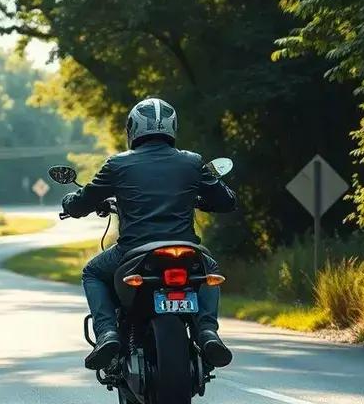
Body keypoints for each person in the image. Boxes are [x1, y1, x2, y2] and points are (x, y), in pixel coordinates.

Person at [61, 97, 238, 371]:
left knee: (92, 272)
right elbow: (227, 201)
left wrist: (70, 202)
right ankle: (207, 332)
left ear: (133, 129)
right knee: (209, 269)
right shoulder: (193, 162)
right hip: (187, 249)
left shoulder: (117, 164)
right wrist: (202, 199)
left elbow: (82, 202)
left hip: (133, 252)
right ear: (172, 127)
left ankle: (107, 333)